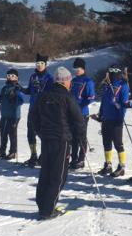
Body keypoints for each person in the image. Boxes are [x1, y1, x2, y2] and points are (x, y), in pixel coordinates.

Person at [31, 66, 86, 220]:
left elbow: (33, 117)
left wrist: (40, 132)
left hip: (48, 139)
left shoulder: (44, 95)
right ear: (66, 81)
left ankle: (43, 205)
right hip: (61, 140)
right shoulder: (67, 97)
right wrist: (81, 139)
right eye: (69, 80)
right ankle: (48, 209)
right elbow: (79, 120)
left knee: (46, 172)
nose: (70, 83)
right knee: (58, 174)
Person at [93, 65, 131, 177]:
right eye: (110, 72)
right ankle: (108, 165)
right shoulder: (106, 85)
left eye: (114, 73)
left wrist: (120, 110)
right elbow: (104, 101)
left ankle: (122, 166)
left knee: (118, 143)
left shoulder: (123, 85)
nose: (111, 75)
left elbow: (124, 103)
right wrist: (100, 114)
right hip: (106, 118)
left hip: (116, 119)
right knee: (106, 142)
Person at [21, 54, 54, 167]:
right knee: (30, 133)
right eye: (37, 63)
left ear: (45, 65)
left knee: (43, 134)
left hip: (43, 110)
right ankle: (33, 155)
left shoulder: (49, 78)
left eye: (41, 64)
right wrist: (21, 88)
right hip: (32, 109)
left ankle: (44, 155)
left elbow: (50, 94)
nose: (39, 65)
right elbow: (30, 91)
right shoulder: (32, 77)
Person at [0, 68, 25, 160]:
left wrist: (14, 98)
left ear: (16, 77)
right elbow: (0, 99)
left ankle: (13, 152)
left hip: (14, 115)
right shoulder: (5, 88)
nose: (10, 78)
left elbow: (21, 100)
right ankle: (2, 152)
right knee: (3, 133)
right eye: (8, 76)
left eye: (12, 76)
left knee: (12, 133)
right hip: (4, 114)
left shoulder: (17, 87)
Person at [69, 57, 95, 169]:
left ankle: (81, 159)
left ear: (83, 68)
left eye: (78, 68)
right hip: (72, 113)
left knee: (81, 137)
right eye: (75, 68)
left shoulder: (88, 81)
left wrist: (80, 105)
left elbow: (91, 97)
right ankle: (73, 159)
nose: (77, 70)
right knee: (73, 137)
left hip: (82, 113)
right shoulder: (73, 81)